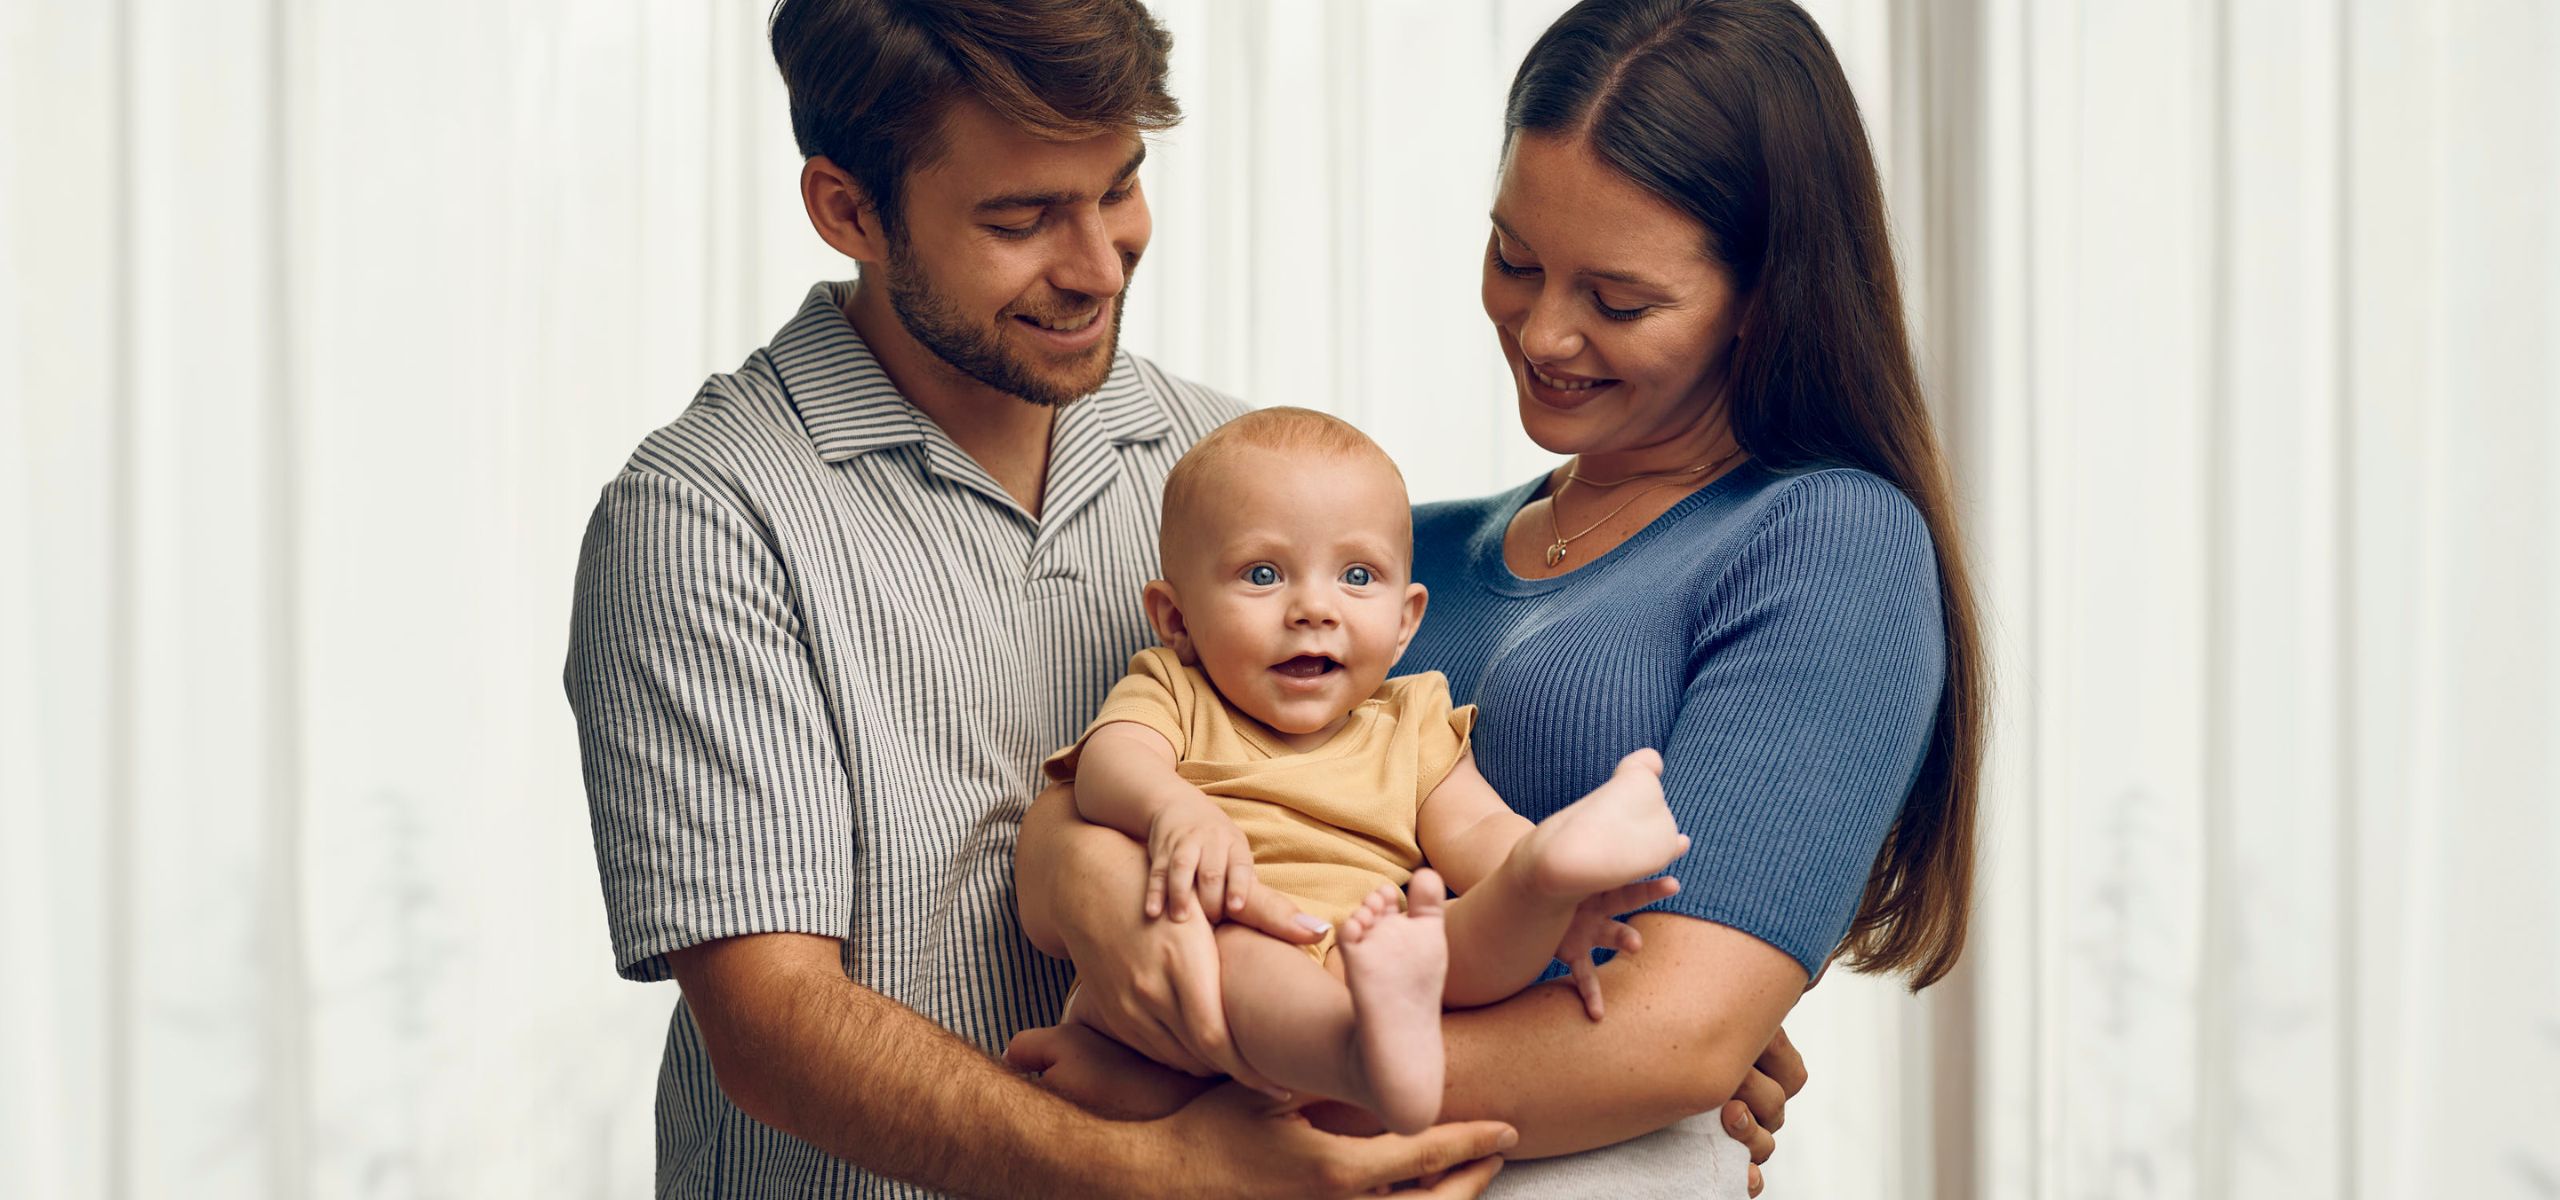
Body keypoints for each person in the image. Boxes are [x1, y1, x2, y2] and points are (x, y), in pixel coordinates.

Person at [561, 1, 1595, 1195]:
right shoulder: (705, 518)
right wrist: (1153, 1174)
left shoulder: (1221, 465)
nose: (1100, 265)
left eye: (1118, 187)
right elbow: (773, 1026)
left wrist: (1648, 1023)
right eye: (1020, 218)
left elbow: (1394, 813)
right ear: (848, 210)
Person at [1011, 0, 1981, 1195]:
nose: (1543, 330)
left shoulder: (1824, 540)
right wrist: (1095, 884)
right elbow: (1114, 792)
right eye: (1514, 259)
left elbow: (1670, 1038)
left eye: (1618, 300)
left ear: (1767, 295)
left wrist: (1254, 1107)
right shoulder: (1396, 562)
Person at [1040, 406, 1692, 1134]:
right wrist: (1173, 810)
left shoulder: (1413, 718)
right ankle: (1360, 1063)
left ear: (1407, 619)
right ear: (1176, 617)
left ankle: (1552, 871)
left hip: (1373, 956)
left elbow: (1475, 827)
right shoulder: (1175, 690)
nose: (1314, 608)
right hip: (1225, 941)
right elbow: (1107, 764)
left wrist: (1534, 895)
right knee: (1242, 962)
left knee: (1456, 929)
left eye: (1357, 576)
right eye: (1263, 574)